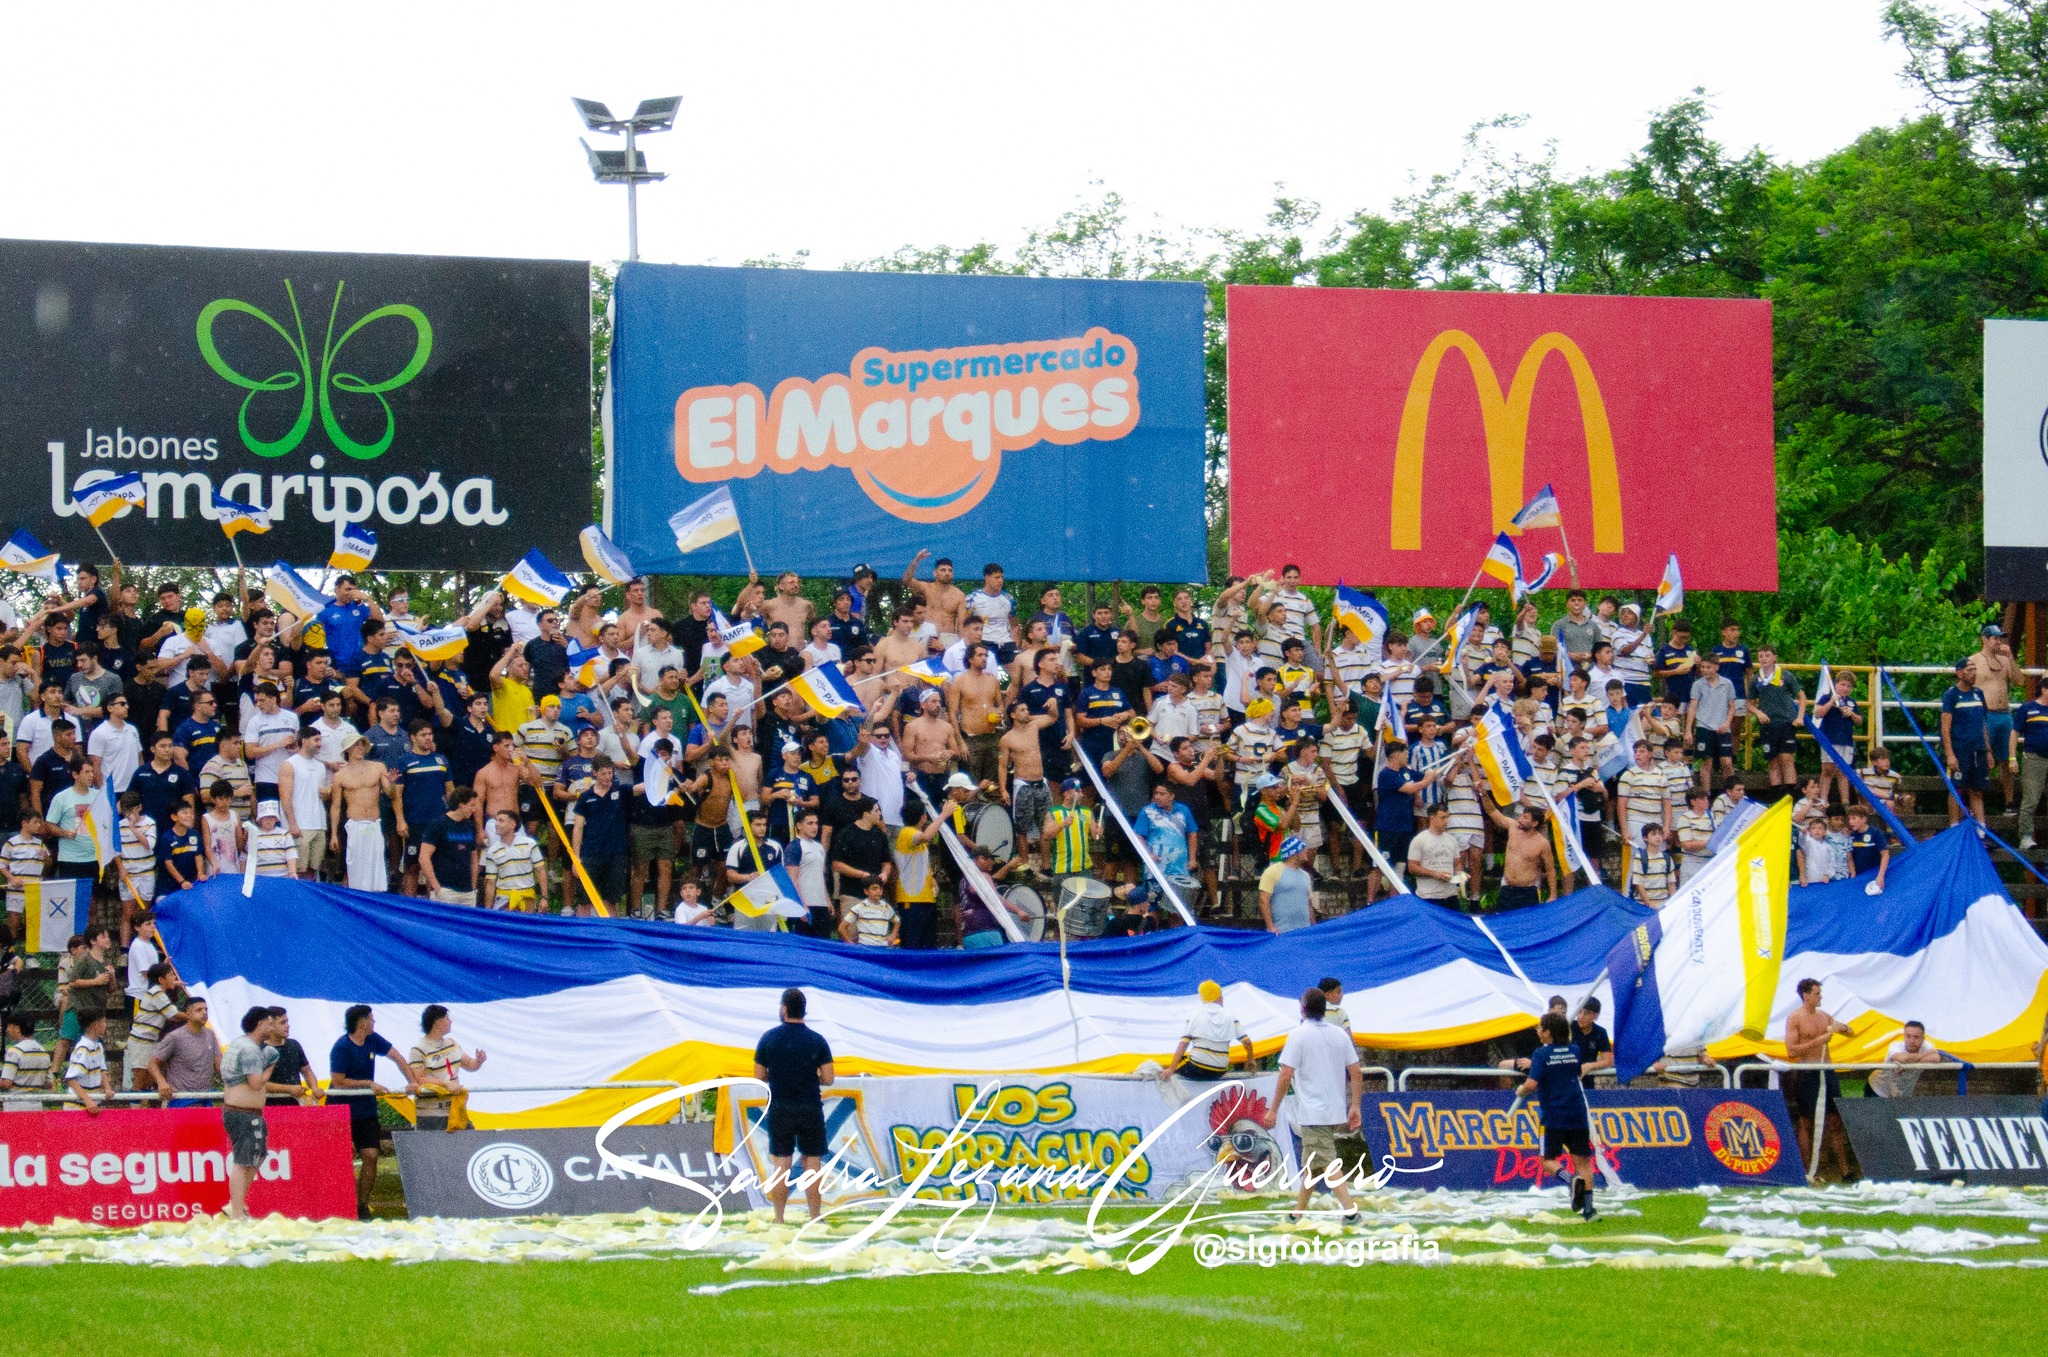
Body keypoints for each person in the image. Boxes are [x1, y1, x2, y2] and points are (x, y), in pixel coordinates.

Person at [1259, 987, 1362, 1223]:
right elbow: (1356, 1071)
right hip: (1333, 1109)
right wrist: (1355, 1105)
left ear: (1302, 1009)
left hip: (1313, 1112)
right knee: (1312, 1165)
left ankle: (1350, 1212)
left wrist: (1273, 1109)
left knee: (1326, 1162)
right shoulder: (1339, 1035)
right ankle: (1297, 1213)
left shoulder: (1299, 1035)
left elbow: (1286, 1074)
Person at [752, 988, 836, 1223]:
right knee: (812, 1163)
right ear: (804, 1010)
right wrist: (809, 1076)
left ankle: (779, 1218)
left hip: (780, 1108)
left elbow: (758, 1076)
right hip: (810, 1107)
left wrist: (779, 1075)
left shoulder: (768, 1038)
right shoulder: (817, 1040)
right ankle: (815, 1217)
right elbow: (829, 1078)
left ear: (784, 1008)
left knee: (781, 1164)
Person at [329, 1004, 421, 1216]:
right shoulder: (341, 1047)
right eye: (371, 1018)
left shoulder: (373, 1040)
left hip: (366, 1110)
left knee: (371, 1155)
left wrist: (412, 1082)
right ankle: (341, 1204)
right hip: (341, 1109)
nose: (374, 1022)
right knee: (340, 1159)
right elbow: (338, 1081)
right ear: (361, 1022)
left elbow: (397, 1057)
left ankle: (362, 1205)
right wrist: (368, 1083)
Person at [1515, 1013, 1598, 1220]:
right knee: (1583, 1163)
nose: (1537, 1031)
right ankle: (1589, 1210)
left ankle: (1571, 1181)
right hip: (1577, 1112)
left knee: (1546, 1160)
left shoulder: (1541, 1054)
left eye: (1540, 1027)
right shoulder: (1575, 1050)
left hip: (1554, 1114)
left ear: (1548, 1033)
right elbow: (1574, 1072)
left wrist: (1521, 1090)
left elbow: (1532, 1084)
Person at [1784, 977, 1854, 1179]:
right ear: (1806, 996)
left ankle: (1845, 1171)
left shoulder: (1824, 1016)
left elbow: (1851, 1032)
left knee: (1835, 1121)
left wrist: (1843, 1028)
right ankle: (1806, 1172)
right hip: (1808, 1072)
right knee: (1806, 1122)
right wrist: (1818, 1040)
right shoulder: (1795, 1018)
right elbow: (1791, 1050)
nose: (1820, 997)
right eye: (1817, 993)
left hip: (1827, 1071)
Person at [222, 1006, 280, 1217]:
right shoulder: (250, 1050)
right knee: (244, 1161)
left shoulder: (238, 1043)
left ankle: (236, 1204)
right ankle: (236, 1211)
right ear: (259, 1024)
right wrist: (270, 1066)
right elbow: (256, 1083)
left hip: (237, 1111)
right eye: (270, 1023)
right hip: (244, 1112)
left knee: (257, 1155)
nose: (272, 1028)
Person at [410, 1004, 485, 1131]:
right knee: (435, 1143)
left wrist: (478, 1061)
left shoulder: (452, 1043)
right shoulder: (418, 1049)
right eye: (447, 1018)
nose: (451, 1021)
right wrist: (446, 1084)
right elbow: (419, 1079)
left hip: (456, 1107)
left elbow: (469, 1065)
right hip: (432, 1112)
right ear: (438, 1023)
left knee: (467, 1141)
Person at [330, 734, 391, 892]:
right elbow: (336, 806)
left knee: (376, 864)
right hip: (354, 825)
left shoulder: (378, 767)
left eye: (362, 744)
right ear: (348, 749)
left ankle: (375, 897)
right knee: (354, 865)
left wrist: (390, 782)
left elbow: (391, 793)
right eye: (355, 745)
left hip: (373, 822)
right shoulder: (340, 776)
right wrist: (334, 834)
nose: (359, 748)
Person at [1166, 980, 1254, 1081]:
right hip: (1220, 1070)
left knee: (1172, 1067)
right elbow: (1247, 1042)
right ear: (1218, 996)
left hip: (1197, 1067)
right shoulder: (1230, 1016)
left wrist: (1171, 1069)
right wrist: (1251, 1060)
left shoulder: (1195, 1015)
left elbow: (1183, 1044)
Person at [1940, 656, 1992, 827]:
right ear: (1959, 673)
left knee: (1977, 791)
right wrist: (1950, 754)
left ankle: (1981, 829)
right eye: (1969, 670)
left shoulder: (1978, 693)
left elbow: (1983, 724)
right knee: (1956, 788)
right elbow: (1945, 727)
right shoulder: (1951, 695)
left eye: (1975, 670)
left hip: (1979, 749)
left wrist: (1988, 750)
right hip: (1960, 749)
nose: (1973, 673)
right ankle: (1954, 826)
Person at [1482, 800, 1557, 907]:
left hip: (1529, 891)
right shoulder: (1513, 827)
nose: (1520, 819)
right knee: (1503, 917)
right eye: (1521, 816)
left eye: (1525, 818)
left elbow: (1550, 869)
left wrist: (1553, 895)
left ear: (1534, 823)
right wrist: (1484, 795)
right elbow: (1492, 811)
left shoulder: (1542, 843)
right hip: (1507, 888)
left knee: (1528, 918)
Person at [149, 997, 220, 1107]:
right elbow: (152, 1064)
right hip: (181, 1099)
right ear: (188, 1014)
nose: (204, 1013)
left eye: (206, 1009)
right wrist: (161, 1082)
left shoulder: (210, 1035)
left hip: (206, 1098)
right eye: (199, 1010)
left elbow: (219, 1064)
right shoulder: (174, 1037)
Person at [126, 961, 178, 1092]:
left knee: (147, 1081)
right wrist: (191, 1016)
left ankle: (143, 1104)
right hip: (141, 1041)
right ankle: (134, 1104)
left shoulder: (157, 992)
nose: (174, 978)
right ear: (161, 979)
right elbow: (173, 1013)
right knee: (139, 1080)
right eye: (171, 975)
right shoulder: (157, 994)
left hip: (149, 1041)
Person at [1869, 1020, 1950, 1098]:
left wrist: (1907, 1066)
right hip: (1877, 1089)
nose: (1912, 1041)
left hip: (1902, 1093)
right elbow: (1901, 1059)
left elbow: (1936, 1057)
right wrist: (1922, 1056)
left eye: (1916, 1037)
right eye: (1908, 1036)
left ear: (1923, 1039)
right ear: (1904, 1036)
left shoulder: (1927, 1046)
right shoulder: (1895, 1046)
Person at [1257, 834, 1315, 934]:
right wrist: (1271, 927)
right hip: (1282, 932)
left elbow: (1309, 904)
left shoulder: (1306, 876)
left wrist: (1313, 928)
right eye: (1303, 848)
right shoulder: (1272, 871)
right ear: (1294, 852)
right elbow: (1263, 900)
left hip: (1304, 933)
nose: (1306, 851)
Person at [2017, 676, 2048, 853]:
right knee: (2031, 798)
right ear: (2044, 690)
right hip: (2034, 758)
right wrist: (2012, 758)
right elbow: (2015, 732)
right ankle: (2026, 835)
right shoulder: (2027, 708)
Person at [64, 1010, 110, 1114]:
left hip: (93, 1104)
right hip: (77, 1106)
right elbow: (71, 1078)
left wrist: (107, 1088)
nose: (105, 1025)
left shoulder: (98, 1046)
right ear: (95, 1025)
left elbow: (102, 1070)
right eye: (103, 1022)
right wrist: (87, 1100)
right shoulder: (84, 1048)